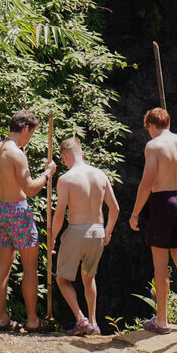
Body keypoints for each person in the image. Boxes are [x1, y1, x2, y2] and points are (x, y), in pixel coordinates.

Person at [129, 106, 177, 332]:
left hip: (163, 201)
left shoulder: (154, 146)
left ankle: (162, 320)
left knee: (161, 263)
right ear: (168, 123)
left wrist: (135, 213)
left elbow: (147, 183)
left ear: (151, 125)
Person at [0, 109, 57, 332]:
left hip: (0, 210)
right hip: (18, 211)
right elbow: (29, 188)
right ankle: (33, 320)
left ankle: (2, 318)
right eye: (31, 133)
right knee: (29, 267)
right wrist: (47, 174)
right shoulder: (17, 154)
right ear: (25, 128)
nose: (30, 138)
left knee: (3, 266)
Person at [49, 138, 120, 336]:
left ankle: (81, 319)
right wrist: (108, 231)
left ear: (64, 157)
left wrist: (53, 238)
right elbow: (115, 208)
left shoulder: (66, 179)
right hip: (97, 231)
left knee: (62, 279)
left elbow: (59, 214)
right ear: (82, 153)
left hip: (76, 231)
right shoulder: (100, 175)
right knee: (89, 278)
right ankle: (94, 322)